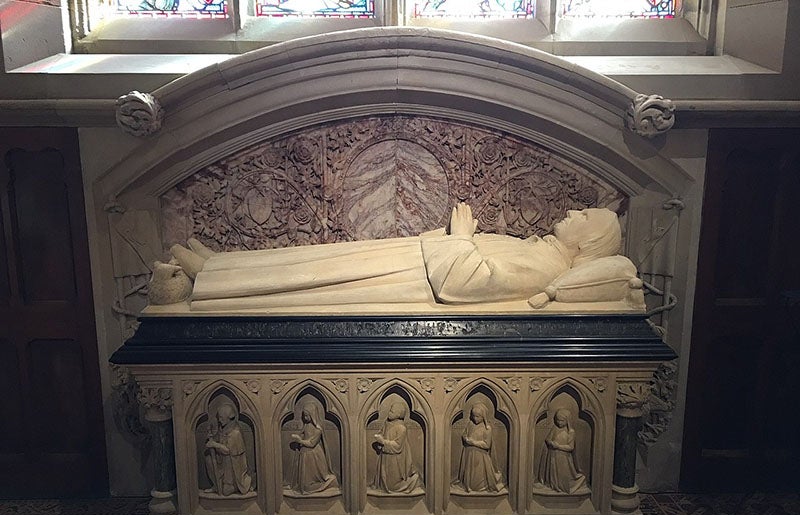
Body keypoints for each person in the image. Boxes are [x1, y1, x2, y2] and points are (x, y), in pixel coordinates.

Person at [161, 204, 643, 311]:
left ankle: (214, 281)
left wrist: (459, 236)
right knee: (317, 259)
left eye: (585, 214)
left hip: (411, 277)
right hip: (411, 258)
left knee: (315, 278)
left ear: (588, 243)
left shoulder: (547, 267)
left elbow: (467, 284)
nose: (572, 210)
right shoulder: (541, 251)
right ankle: (224, 265)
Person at [370, 399, 423, 495]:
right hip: (385, 456)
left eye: (392, 411)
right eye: (390, 410)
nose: (389, 413)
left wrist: (383, 442)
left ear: (398, 414)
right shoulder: (387, 423)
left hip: (396, 460)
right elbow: (381, 433)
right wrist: (379, 439)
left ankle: (414, 480)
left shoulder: (401, 428)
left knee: (393, 485)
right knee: (384, 477)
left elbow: (397, 446)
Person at [287, 404, 339, 496]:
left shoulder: (318, 429)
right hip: (305, 454)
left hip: (314, 456)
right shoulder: (306, 425)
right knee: (303, 483)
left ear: (313, 415)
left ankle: (327, 483)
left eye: (307, 415)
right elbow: (303, 434)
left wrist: (300, 440)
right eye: (304, 416)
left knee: (308, 484)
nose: (305, 418)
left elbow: (312, 444)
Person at [204, 401, 253, 496]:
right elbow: (218, 438)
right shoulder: (223, 428)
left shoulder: (236, 433)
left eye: (221, 418)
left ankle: (233, 485)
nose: (219, 420)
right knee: (208, 459)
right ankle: (216, 484)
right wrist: (212, 438)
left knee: (225, 492)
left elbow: (228, 451)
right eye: (219, 418)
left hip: (232, 465)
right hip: (221, 460)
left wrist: (214, 444)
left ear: (229, 417)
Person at [454, 404, 506, 494]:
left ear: (483, 416)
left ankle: (480, 488)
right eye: (473, 416)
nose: (475, 418)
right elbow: (464, 434)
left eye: (478, 416)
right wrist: (465, 438)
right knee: (469, 474)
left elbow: (487, 445)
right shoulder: (470, 424)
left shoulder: (487, 429)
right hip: (469, 454)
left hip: (480, 456)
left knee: (479, 476)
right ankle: (468, 487)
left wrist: (473, 442)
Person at [535, 408, 587, 495]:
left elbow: (570, 447)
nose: (559, 422)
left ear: (567, 420)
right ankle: (554, 486)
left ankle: (563, 487)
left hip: (564, 457)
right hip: (553, 455)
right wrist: (550, 443)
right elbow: (548, 439)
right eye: (557, 420)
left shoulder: (571, 432)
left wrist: (558, 446)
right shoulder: (555, 428)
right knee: (553, 473)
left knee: (563, 474)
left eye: (562, 420)